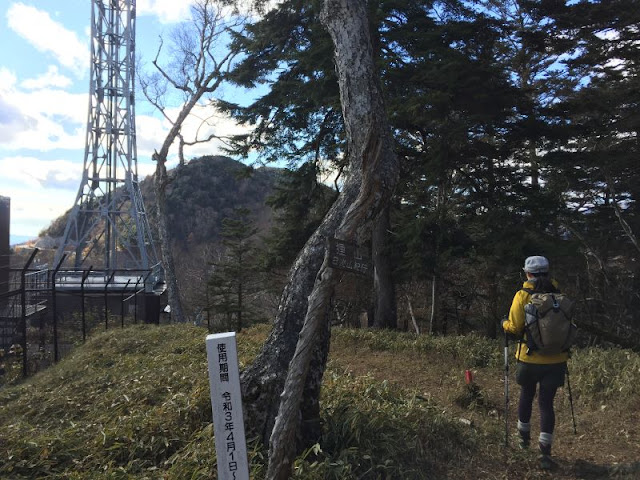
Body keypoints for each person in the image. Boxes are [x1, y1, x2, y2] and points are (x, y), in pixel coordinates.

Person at [502, 255, 568, 470]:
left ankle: (523, 441)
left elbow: (514, 327)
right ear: (548, 272)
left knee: (526, 395)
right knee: (547, 404)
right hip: (557, 360)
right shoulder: (560, 296)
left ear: (527, 273)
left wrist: (504, 323)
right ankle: (545, 453)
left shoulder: (523, 295)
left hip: (529, 358)